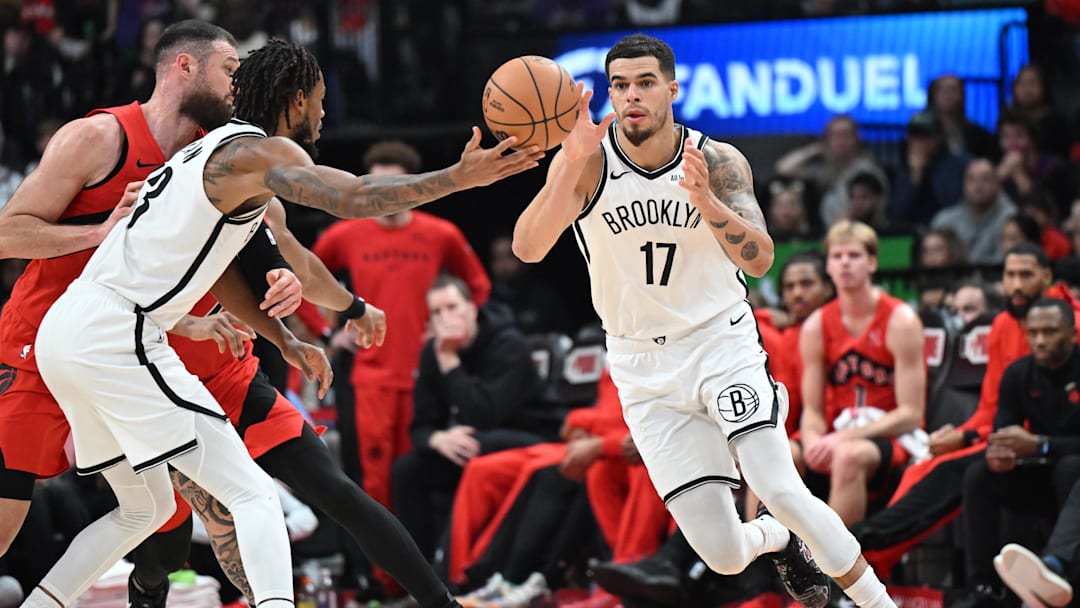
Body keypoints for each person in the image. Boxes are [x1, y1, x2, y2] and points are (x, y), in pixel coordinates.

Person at [23, 36, 543, 608]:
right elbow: (352, 196)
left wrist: (288, 337)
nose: (323, 113)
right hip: (118, 335)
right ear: (295, 99)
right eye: (319, 100)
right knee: (253, 496)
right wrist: (459, 178)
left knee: (142, 511)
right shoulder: (256, 153)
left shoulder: (206, 155)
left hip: (70, 331)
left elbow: (221, 277)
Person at [512, 33, 895, 608]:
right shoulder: (587, 164)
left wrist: (709, 204)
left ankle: (878, 603)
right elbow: (526, 248)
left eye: (645, 83)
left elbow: (761, 257)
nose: (632, 96)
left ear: (672, 88)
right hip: (642, 365)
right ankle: (777, 539)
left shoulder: (715, 160)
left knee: (780, 487)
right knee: (721, 551)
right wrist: (565, 165)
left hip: (721, 343)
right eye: (620, 85)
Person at [850, 242, 1080, 586]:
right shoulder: (1004, 326)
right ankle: (864, 564)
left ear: (1046, 277)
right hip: (1009, 441)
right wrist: (967, 434)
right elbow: (993, 408)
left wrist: (1015, 441)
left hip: (1053, 448)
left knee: (951, 472)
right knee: (932, 469)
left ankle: (854, 547)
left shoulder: (1071, 324)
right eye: (1010, 275)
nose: (1016, 284)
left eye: (1026, 275)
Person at [312, 140, 492, 515]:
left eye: (392, 186)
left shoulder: (441, 234)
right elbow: (302, 277)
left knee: (414, 478)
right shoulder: (347, 234)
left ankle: (420, 569)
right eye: (374, 186)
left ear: (410, 185)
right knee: (374, 482)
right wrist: (328, 333)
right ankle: (378, 575)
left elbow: (478, 287)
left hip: (423, 376)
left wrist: (452, 329)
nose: (382, 195)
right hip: (371, 378)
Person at [391, 274, 545, 559]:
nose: (444, 318)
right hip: (476, 441)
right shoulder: (432, 352)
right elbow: (420, 427)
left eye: (452, 307)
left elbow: (484, 415)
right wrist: (438, 438)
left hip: (533, 437)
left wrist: (450, 361)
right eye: (436, 312)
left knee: (473, 444)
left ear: (472, 309)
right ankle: (423, 578)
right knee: (408, 469)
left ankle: (456, 570)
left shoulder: (508, 344)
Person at [797, 221, 927, 527]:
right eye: (837, 255)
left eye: (854, 255)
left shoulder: (901, 320)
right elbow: (813, 409)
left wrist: (840, 438)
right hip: (837, 431)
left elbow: (910, 413)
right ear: (827, 266)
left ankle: (835, 570)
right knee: (778, 455)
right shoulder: (816, 324)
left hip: (889, 436)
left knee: (848, 456)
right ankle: (760, 573)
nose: (845, 262)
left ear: (872, 263)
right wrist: (815, 439)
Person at [962, 297, 1080, 606]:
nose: (1040, 340)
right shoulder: (1017, 374)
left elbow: (1043, 445)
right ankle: (984, 589)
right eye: (1034, 332)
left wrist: (1042, 444)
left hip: (1073, 476)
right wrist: (1001, 454)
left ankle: (1057, 570)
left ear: (1071, 333)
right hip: (1045, 476)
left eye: (1050, 332)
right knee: (979, 476)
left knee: (1071, 467)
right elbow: (1005, 431)